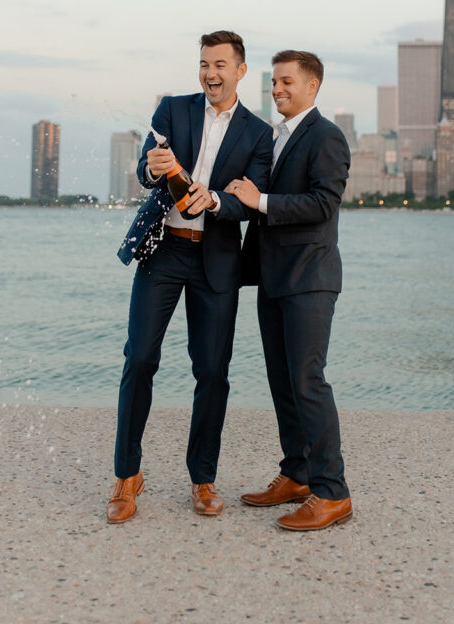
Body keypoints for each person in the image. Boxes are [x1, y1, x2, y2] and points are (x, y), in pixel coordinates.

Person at [108, 30, 273, 523]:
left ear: (240, 71)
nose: (210, 73)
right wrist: (154, 169)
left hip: (217, 259)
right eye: (204, 64)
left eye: (220, 65)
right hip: (163, 253)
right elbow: (143, 170)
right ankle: (126, 476)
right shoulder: (172, 110)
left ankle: (203, 478)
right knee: (139, 358)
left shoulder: (259, 133)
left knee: (212, 373)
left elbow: (251, 200)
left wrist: (217, 199)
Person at [226, 50, 352, 531]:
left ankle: (332, 492)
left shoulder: (327, 136)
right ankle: (296, 473)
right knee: (283, 382)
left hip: (310, 279)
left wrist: (261, 200)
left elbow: (323, 203)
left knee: (308, 381)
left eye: (286, 82)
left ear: (312, 85)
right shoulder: (273, 138)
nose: (277, 89)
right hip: (273, 279)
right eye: (274, 82)